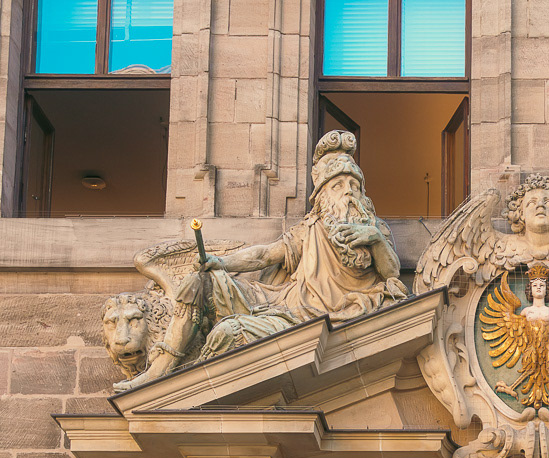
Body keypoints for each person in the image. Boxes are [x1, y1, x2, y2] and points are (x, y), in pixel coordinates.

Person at [139, 130, 408, 384]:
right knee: (199, 280)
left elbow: (392, 273)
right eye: (338, 185)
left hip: (328, 320)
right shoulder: (309, 229)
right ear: (323, 197)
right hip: (292, 311)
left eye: (354, 185)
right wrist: (221, 262)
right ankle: (159, 370)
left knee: (228, 333)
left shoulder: (375, 229)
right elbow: (264, 255)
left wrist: (375, 239)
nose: (348, 191)